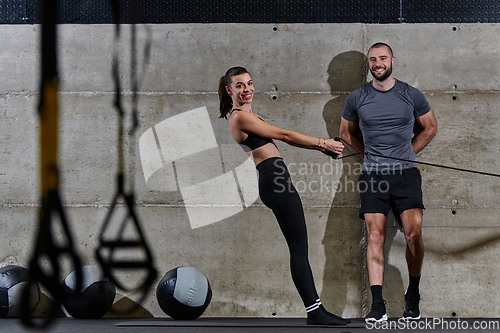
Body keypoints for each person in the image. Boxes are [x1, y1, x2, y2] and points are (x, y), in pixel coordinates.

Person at [219, 66, 349, 326]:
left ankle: (316, 309)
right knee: (298, 249)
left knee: (300, 247)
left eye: (250, 83)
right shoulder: (239, 118)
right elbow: (285, 135)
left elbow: (283, 139)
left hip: (275, 179)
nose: (247, 89)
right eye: (240, 85)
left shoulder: (248, 115)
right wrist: (323, 143)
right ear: (229, 90)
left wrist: (322, 148)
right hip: (275, 180)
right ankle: (314, 312)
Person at [339, 42, 438, 322]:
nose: (377, 63)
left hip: (406, 175)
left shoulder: (411, 94)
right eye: (372, 59)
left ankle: (413, 295)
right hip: (373, 176)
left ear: (392, 60)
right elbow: (345, 134)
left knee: (413, 237)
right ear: (369, 64)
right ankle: (378, 304)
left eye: (382, 58)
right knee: (374, 237)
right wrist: (366, 156)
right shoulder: (357, 98)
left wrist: (407, 153)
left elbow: (430, 127)